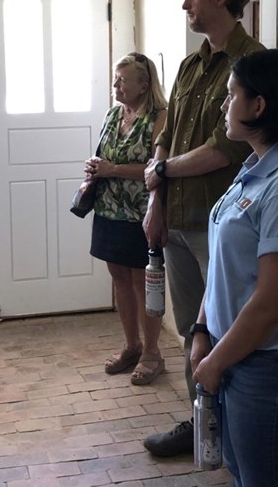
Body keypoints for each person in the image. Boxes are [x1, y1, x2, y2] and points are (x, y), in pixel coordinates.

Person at [192, 47, 278, 486]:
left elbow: (272, 302)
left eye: (231, 94)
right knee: (243, 473)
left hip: (271, 364)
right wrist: (202, 329)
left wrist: (216, 361)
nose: (223, 104)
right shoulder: (257, 168)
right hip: (237, 351)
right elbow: (226, 266)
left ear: (259, 105)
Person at [142, 0, 264, 455]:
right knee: (194, 326)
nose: (184, 4)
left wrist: (163, 171)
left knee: (226, 329)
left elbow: (223, 149)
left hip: (221, 223)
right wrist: (156, 202)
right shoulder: (191, 64)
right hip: (176, 218)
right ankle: (200, 424)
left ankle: (232, 431)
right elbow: (164, 138)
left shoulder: (252, 64)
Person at [85, 53, 167, 385]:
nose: (116, 85)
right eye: (115, 78)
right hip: (108, 208)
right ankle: (131, 346)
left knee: (141, 282)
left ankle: (152, 353)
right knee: (118, 277)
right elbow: (105, 154)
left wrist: (113, 169)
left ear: (144, 85)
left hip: (141, 212)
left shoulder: (160, 118)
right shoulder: (113, 114)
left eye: (123, 80)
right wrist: (95, 166)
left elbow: (156, 169)